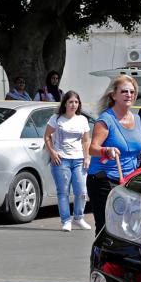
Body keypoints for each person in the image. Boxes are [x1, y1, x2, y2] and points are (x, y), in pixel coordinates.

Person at [87, 75, 141, 234]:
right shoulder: (106, 119)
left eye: (132, 92)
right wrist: (106, 150)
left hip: (128, 181)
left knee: (128, 228)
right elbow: (92, 148)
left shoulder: (137, 119)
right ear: (114, 95)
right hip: (104, 180)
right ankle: (101, 258)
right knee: (107, 228)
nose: (129, 95)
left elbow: (135, 147)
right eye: (124, 91)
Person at [43, 91, 92, 232]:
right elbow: (47, 136)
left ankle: (78, 217)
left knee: (81, 191)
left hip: (78, 160)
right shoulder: (56, 119)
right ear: (65, 103)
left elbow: (85, 140)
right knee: (63, 191)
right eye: (70, 102)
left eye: (76, 102)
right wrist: (52, 152)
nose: (73, 105)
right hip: (61, 160)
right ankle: (66, 220)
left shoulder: (82, 119)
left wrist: (87, 157)